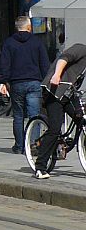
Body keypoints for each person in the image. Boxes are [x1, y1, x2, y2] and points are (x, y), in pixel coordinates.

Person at [0, 15, 51, 154]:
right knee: (34, 115)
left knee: (18, 116)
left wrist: (3, 81)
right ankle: (33, 144)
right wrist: (47, 82)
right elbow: (45, 64)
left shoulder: (9, 43)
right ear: (29, 27)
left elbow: (5, 64)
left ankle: (19, 146)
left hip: (16, 83)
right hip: (34, 82)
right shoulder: (37, 42)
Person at [33, 42, 86, 178]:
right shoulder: (80, 49)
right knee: (55, 129)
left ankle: (68, 143)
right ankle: (40, 167)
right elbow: (64, 58)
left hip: (69, 94)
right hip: (54, 91)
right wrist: (56, 75)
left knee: (81, 118)